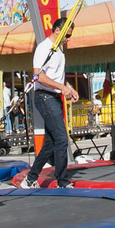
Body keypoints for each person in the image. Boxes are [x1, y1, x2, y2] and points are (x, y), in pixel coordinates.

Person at [23, 16, 78, 188]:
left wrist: (69, 88)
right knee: (61, 138)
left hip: (53, 96)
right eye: (67, 35)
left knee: (51, 142)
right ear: (57, 31)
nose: (68, 39)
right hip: (44, 96)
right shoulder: (44, 48)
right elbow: (38, 75)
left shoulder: (59, 51)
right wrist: (62, 88)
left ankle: (31, 178)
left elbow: (56, 77)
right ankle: (62, 180)